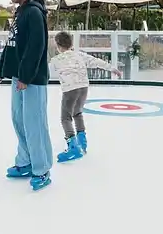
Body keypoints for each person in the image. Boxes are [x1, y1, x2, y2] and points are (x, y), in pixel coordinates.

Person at [0, 0, 53, 191]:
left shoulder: (34, 13)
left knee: (35, 124)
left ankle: (42, 168)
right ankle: (25, 161)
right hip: (20, 78)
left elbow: (36, 47)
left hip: (33, 80)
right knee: (19, 120)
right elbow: (12, 45)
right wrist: (2, 70)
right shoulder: (20, 13)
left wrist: (27, 77)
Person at [50, 31, 122, 162]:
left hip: (70, 89)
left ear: (58, 46)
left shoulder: (56, 60)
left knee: (65, 118)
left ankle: (73, 147)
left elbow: (45, 72)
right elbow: (96, 62)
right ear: (71, 44)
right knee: (77, 113)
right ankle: (82, 141)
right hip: (83, 87)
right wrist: (112, 68)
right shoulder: (79, 55)